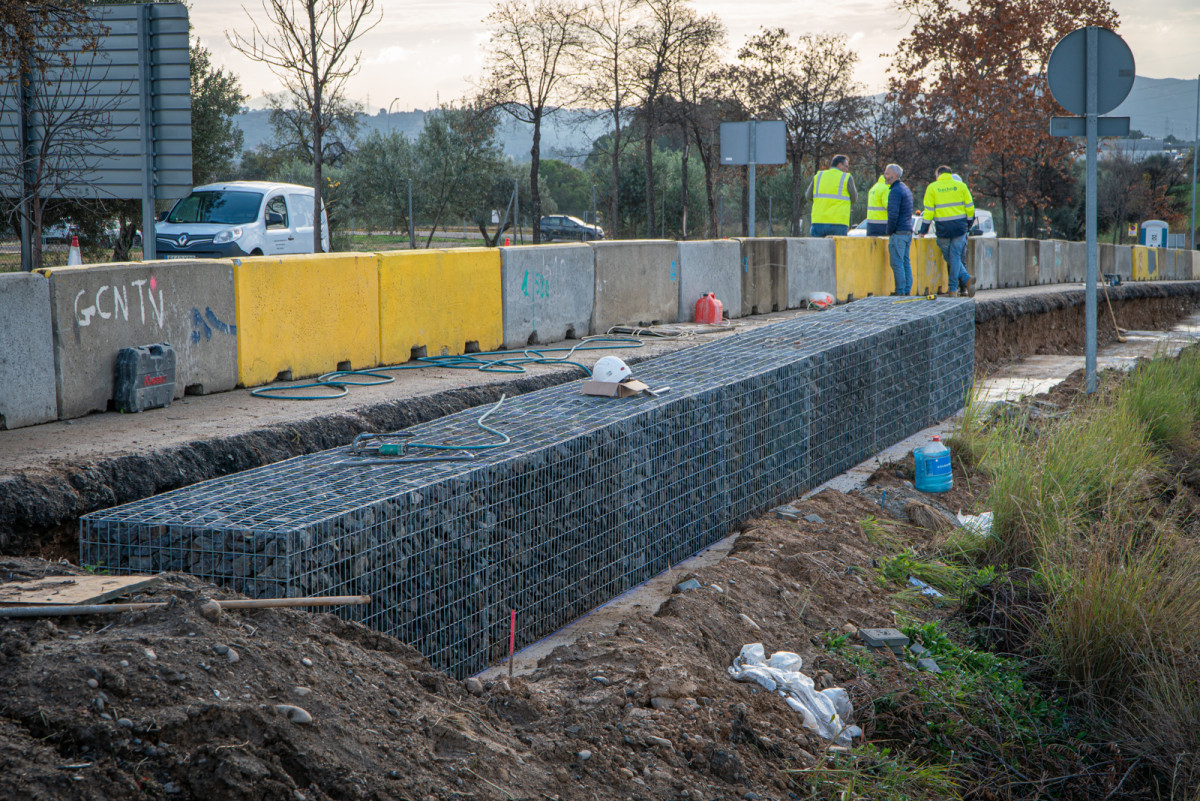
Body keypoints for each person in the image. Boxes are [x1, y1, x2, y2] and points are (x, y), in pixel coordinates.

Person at [919, 166, 976, 297]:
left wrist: (923, 231)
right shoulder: (961, 186)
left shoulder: (932, 187)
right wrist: (967, 225)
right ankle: (964, 281)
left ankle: (954, 288)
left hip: (943, 229)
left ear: (938, 174)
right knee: (955, 256)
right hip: (959, 228)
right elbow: (970, 208)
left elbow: (928, 212)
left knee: (950, 257)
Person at [806, 154, 858, 237]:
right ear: (840, 165)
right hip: (838, 223)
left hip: (818, 221)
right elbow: (854, 199)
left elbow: (808, 196)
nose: (847, 169)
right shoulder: (846, 177)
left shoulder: (818, 176)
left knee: (817, 249)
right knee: (837, 249)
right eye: (846, 166)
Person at [883, 163, 913, 296]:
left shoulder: (895, 191)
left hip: (899, 233)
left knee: (897, 263)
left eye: (887, 173)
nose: (885, 175)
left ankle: (900, 291)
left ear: (895, 175)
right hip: (907, 232)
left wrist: (889, 231)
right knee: (906, 262)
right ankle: (907, 289)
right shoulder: (905, 189)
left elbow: (893, 214)